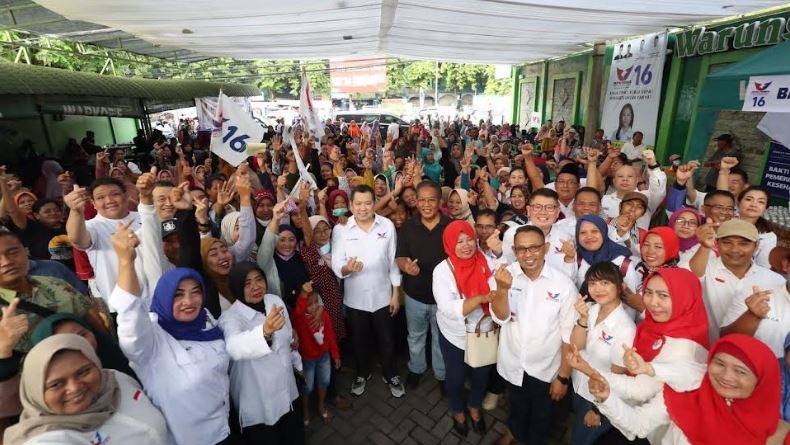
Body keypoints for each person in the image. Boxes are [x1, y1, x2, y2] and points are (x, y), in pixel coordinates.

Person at [108, 221, 232, 445]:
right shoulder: (151, 341)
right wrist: (126, 262)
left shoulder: (205, 321)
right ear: (164, 297)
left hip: (223, 429)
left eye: (196, 292)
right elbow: (131, 315)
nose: (189, 301)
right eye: (178, 295)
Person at [589, 334, 786, 444]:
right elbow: (639, 425)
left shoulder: (779, 436)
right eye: (719, 363)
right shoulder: (686, 393)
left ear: (761, 380)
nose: (726, 376)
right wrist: (606, 398)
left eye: (740, 371)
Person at [491, 226, 576, 445]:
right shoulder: (505, 276)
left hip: (545, 370)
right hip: (514, 363)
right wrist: (502, 290)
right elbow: (500, 318)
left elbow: (569, 336)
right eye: (522, 249)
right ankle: (516, 434)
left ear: (546, 248)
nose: (528, 254)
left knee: (541, 416)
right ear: (514, 250)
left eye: (534, 248)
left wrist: (563, 378)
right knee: (517, 406)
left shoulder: (563, 285)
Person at [2, 334, 167, 445]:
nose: (74, 388)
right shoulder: (46, 439)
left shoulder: (115, 381)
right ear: (35, 392)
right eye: (56, 384)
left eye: (84, 371)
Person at [218, 262, 303, 444]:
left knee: (293, 435)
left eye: (259, 279)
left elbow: (287, 336)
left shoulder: (274, 301)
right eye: (247, 283)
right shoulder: (229, 318)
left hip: (287, 389)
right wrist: (265, 332)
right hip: (260, 400)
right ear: (237, 287)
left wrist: (297, 362)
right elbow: (235, 347)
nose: (255, 287)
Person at [331, 185, 403, 397]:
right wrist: (347, 268)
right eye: (358, 204)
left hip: (383, 296)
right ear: (351, 206)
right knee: (359, 341)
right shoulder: (341, 229)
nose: (363, 208)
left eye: (368, 203)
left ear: (374, 203)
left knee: (386, 339)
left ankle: (390, 373)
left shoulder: (387, 225)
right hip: (355, 299)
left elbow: (393, 262)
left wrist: (396, 293)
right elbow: (337, 263)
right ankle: (362, 372)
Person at [432, 221, 496, 437]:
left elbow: (500, 286)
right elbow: (448, 308)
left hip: (483, 332)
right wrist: (480, 298)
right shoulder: (442, 271)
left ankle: (474, 407)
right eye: (459, 241)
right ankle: (458, 410)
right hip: (454, 335)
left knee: (480, 375)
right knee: (456, 377)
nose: (466, 245)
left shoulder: (485, 261)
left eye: (469, 238)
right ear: (449, 243)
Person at [0, 232, 105, 354]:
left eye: (13, 252)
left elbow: (93, 319)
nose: (6, 262)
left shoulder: (54, 283)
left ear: (25, 251)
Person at [569, 263, 636, 445]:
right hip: (579, 386)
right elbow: (576, 345)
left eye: (605, 283)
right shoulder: (590, 310)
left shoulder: (625, 328)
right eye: (592, 283)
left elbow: (618, 377)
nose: (598, 289)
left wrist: (598, 409)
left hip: (598, 399)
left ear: (619, 286)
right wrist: (582, 319)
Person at [690, 219, 785, 343]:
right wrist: (704, 247)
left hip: (754, 355)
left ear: (756, 246)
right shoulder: (705, 267)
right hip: (707, 351)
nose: (734, 249)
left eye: (744, 244)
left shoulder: (775, 279)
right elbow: (692, 276)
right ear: (717, 243)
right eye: (727, 243)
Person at [396, 180, 450, 391]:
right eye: (422, 200)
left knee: (440, 339)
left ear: (439, 202)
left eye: (431, 200)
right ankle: (416, 368)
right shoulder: (408, 227)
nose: (426, 205)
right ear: (416, 202)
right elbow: (400, 257)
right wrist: (405, 266)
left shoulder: (450, 226)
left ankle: (441, 374)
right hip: (414, 295)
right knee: (415, 336)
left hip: (442, 299)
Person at [293, 281, 340, 425]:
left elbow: (330, 335)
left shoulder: (323, 315)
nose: (313, 307)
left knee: (324, 382)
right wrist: (303, 295)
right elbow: (297, 312)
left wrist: (336, 354)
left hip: (324, 356)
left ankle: (321, 406)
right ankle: (306, 411)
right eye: (309, 304)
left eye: (315, 303)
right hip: (307, 360)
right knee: (307, 387)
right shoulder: (300, 319)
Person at [737, 186, 776, 269]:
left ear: (765, 209)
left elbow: (763, 268)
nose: (753, 204)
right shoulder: (725, 223)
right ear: (738, 203)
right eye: (748, 199)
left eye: (761, 202)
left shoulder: (768, 237)